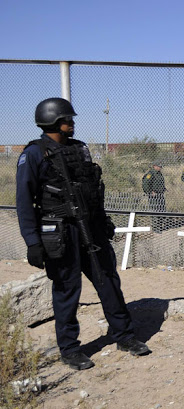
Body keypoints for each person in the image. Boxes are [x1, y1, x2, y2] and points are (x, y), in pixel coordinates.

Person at [16, 98, 150, 370]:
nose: (72, 123)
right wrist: (33, 242)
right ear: (54, 122)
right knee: (67, 290)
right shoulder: (33, 154)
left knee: (109, 281)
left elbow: (93, 192)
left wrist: (103, 222)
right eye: (68, 120)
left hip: (91, 229)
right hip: (60, 233)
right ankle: (70, 349)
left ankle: (124, 336)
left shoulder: (80, 149)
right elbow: (24, 201)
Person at [143, 162, 166, 232]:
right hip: (154, 196)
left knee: (161, 210)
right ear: (154, 166)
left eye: (160, 166)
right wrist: (150, 192)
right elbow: (145, 184)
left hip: (160, 195)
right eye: (159, 166)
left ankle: (159, 226)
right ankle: (155, 228)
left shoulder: (159, 174)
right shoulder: (151, 174)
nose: (160, 168)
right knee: (155, 211)